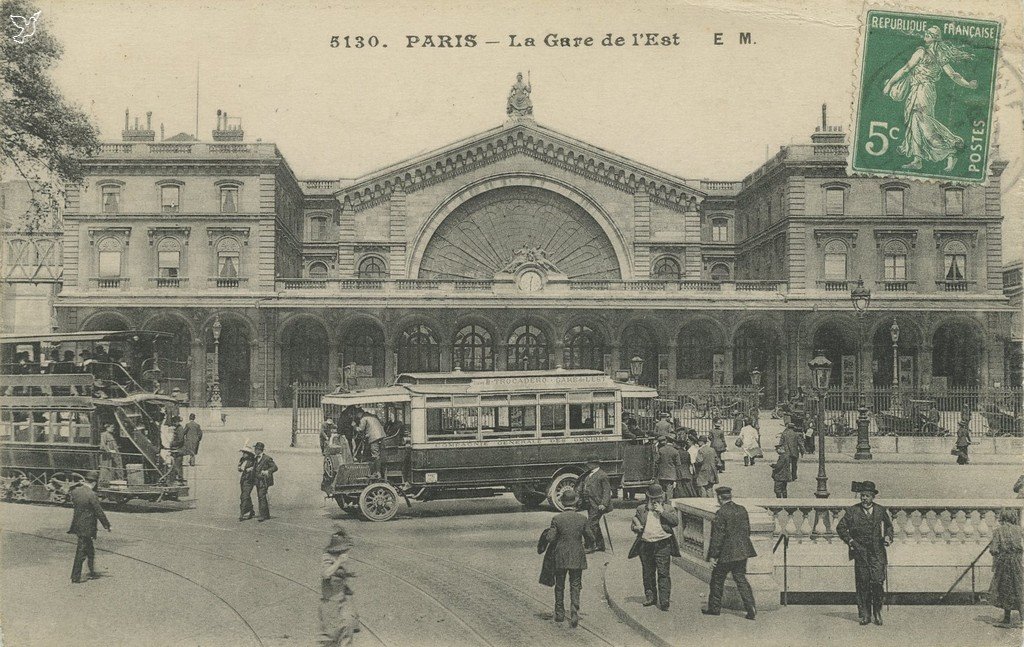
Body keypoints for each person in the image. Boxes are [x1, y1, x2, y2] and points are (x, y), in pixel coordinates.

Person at [883, 25, 978, 172]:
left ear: (935, 38)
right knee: (915, 122)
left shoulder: (932, 54)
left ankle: (951, 148)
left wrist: (968, 85)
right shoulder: (923, 52)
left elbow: (953, 75)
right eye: (926, 32)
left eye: (930, 33)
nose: (926, 35)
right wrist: (890, 84)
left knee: (924, 124)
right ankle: (918, 159)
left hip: (925, 90)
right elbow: (905, 69)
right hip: (917, 89)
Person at [836, 481, 894, 626]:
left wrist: (888, 537)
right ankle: (865, 614)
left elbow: (889, 527)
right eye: (862, 496)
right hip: (861, 553)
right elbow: (841, 528)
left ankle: (877, 612)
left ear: (873, 497)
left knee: (878, 582)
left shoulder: (880, 510)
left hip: (877, 553)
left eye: (867, 496)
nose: (864, 499)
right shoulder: (852, 511)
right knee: (863, 584)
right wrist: (850, 541)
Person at [702, 486, 757, 620]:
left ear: (719, 498)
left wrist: (713, 556)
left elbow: (717, 537)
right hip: (742, 552)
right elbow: (747, 530)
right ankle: (751, 607)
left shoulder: (721, 513)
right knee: (741, 579)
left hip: (726, 554)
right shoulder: (742, 510)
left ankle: (714, 608)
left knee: (717, 580)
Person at [545, 489, 593, 627]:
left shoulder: (557, 519)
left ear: (563, 503)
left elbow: (550, 538)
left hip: (560, 556)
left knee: (559, 585)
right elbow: (590, 536)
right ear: (575, 503)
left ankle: (559, 613)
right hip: (577, 556)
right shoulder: (582, 519)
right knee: (575, 584)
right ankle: (574, 609)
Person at [628, 484, 680, 611]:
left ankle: (664, 600)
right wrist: (636, 528)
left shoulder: (667, 508)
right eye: (652, 499)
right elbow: (633, 525)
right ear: (648, 498)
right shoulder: (641, 509)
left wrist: (662, 512)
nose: (655, 501)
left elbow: (675, 522)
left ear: (662, 497)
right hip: (645, 545)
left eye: (658, 499)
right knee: (648, 572)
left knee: (663, 573)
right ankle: (650, 597)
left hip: (663, 544)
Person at [67, 471, 111, 583]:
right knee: (81, 552)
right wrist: (106, 525)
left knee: (90, 551)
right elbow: (98, 511)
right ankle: (75, 577)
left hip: (78, 525)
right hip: (87, 528)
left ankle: (92, 572)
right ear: (94, 483)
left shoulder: (76, 492)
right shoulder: (91, 494)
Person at [318, 527, 357, 646]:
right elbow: (325, 574)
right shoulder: (327, 557)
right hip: (330, 604)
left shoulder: (339, 556)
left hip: (342, 600)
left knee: (347, 631)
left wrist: (347, 574)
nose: (347, 552)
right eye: (345, 549)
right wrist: (339, 562)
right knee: (331, 637)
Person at [989, 508, 1024, 629]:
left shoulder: (998, 531)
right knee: (1019, 587)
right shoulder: (1019, 530)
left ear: (1002, 518)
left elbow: (993, 550)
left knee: (1005, 589)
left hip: (1004, 563)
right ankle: (1023, 619)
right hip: (1018, 562)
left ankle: (1007, 619)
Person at [575, 456, 611, 553]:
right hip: (590, 504)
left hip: (598, 505)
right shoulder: (588, 474)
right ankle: (600, 545)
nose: (587, 465)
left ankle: (591, 546)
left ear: (595, 464)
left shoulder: (602, 475)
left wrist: (604, 503)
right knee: (594, 525)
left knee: (591, 524)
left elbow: (607, 491)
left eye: (589, 463)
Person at [354, 408, 386, 479]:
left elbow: (360, 429)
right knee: (378, 454)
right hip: (381, 436)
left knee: (375, 455)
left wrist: (354, 426)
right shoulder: (372, 416)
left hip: (374, 438)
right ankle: (377, 471)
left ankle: (378, 473)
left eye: (356, 415)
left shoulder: (363, 418)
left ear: (359, 413)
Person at [252, 442, 278, 521]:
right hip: (258, 481)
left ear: (259, 450)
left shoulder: (267, 458)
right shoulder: (256, 458)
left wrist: (267, 471)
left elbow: (275, 467)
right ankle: (265, 514)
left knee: (262, 496)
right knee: (260, 496)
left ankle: (263, 515)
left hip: (264, 481)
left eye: (256, 449)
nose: (254, 450)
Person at [238, 443, 257, 521]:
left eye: (245, 453)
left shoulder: (253, 461)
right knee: (246, 495)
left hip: (249, 480)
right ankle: (251, 511)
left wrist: (251, 469)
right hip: (243, 479)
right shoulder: (242, 459)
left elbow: (256, 468)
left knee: (244, 496)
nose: (243, 454)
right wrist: (240, 467)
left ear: (248, 454)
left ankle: (242, 514)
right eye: (243, 452)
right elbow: (239, 468)